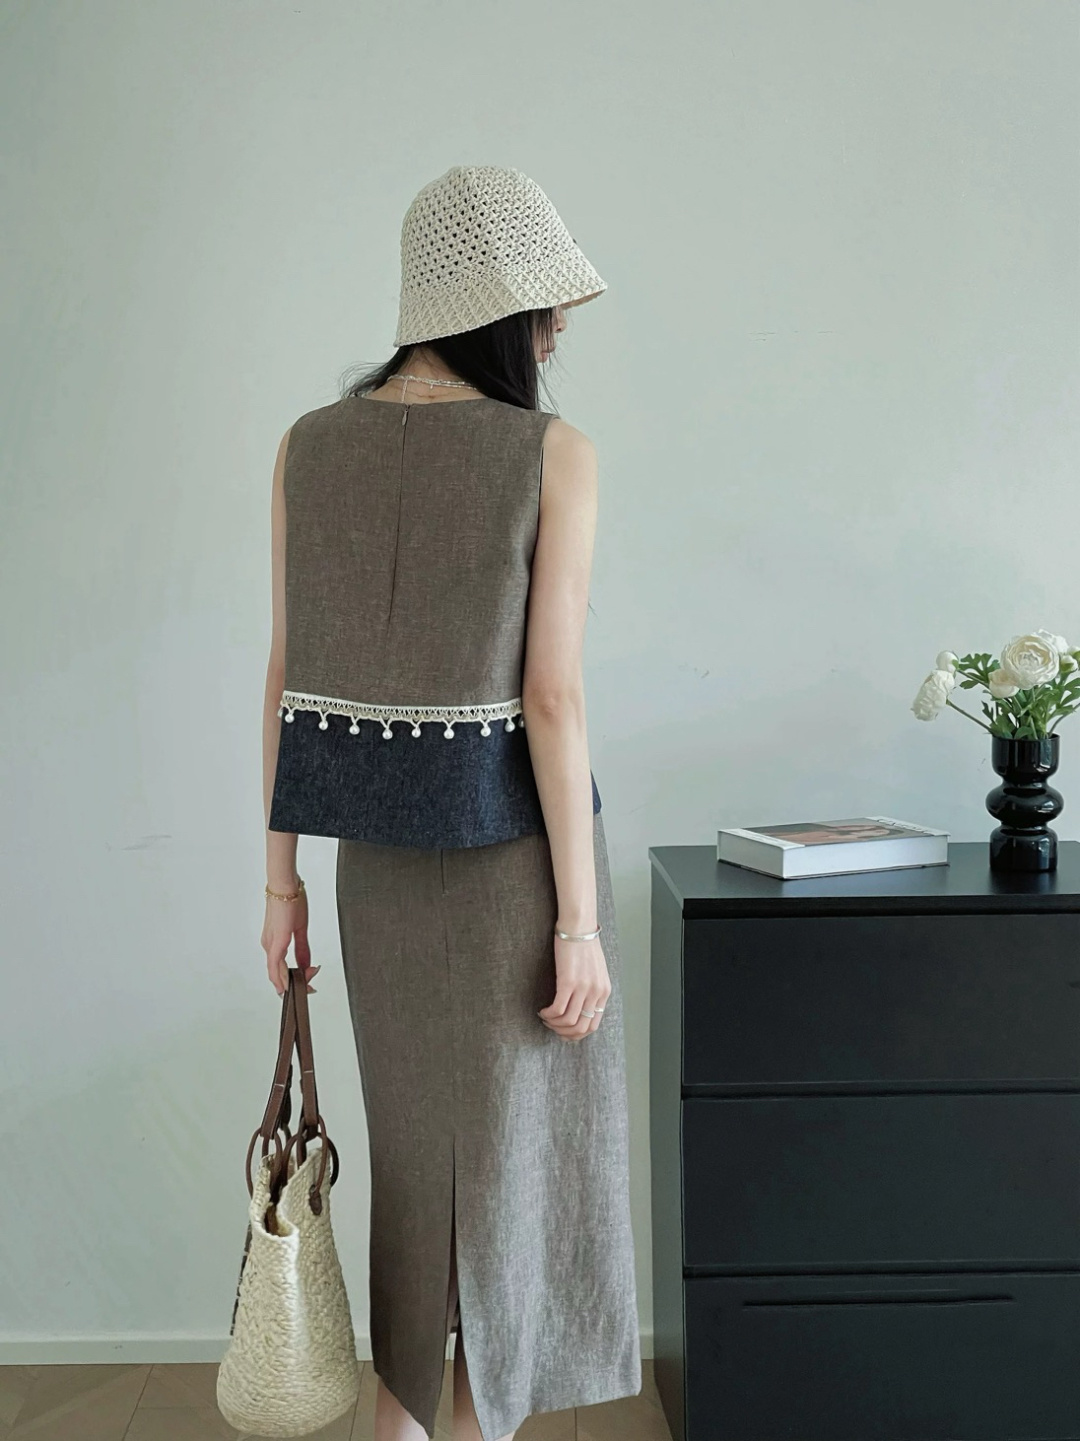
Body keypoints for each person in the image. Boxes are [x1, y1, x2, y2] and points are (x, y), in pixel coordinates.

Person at [259, 165, 641, 1441]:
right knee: (515, 1197)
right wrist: (578, 925)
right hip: (518, 873)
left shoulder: (310, 444)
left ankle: (402, 1423)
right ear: (503, 308)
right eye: (549, 305)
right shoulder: (551, 453)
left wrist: (279, 882)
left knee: (421, 1186)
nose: (560, 327)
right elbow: (553, 700)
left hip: (374, 874)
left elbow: (286, 671)